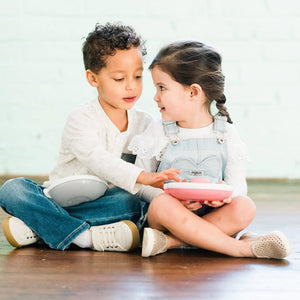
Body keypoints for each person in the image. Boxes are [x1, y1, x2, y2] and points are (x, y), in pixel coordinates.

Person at [0, 23, 179, 252]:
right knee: (12, 189)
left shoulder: (145, 123)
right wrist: (144, 176)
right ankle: (85, 238)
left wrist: (167, 195)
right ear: (93, 79)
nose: (131, 87)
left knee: (133, 202)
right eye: (119, 79)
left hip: (106, 204)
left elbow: (147, 184)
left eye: (137, 77)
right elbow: (97, 159)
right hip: (58, 199)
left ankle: (38, 227)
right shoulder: (81, 118)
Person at [129, 41, 290, 259]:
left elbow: (238, 185)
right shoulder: (158, 131)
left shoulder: (226, 134)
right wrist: (169, 196)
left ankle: (169, 243)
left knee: (245, 206)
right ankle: (240, 248)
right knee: (161, 204)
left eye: (162, 88)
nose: (156, 97)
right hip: (168, 218)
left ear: (193, 92)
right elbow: (140, 184)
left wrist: (225, 196)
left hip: (212, 214)